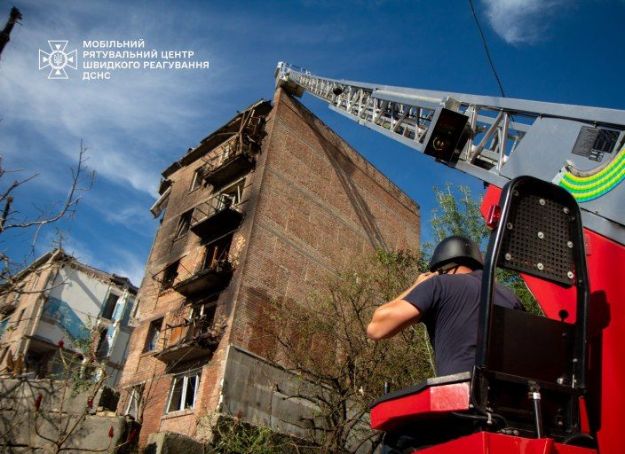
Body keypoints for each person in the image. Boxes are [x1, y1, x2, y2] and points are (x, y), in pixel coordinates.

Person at [367, 235, 522, 376]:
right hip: (509, 396)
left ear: (442, 268)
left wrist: (417, 286)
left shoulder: (440, 284)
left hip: (460, 396)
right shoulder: (511, 297)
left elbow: (376, 329)